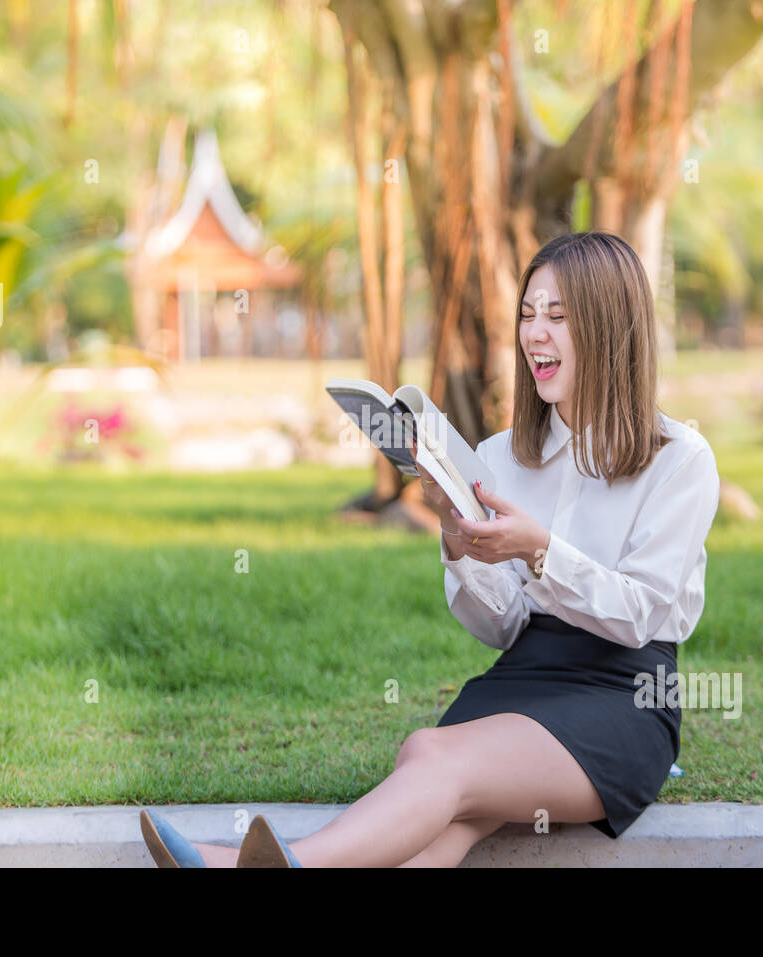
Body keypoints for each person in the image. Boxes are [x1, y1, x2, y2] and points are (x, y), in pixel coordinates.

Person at [140, 230, 721, 867]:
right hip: (525, 674)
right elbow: (500, 627)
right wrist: (457, 535)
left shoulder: (679, 459)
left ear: (610, 328)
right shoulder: (502, 455)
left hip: (626, 693)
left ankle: (277, 864)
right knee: (441, 788)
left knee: (436, 757)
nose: (535, 335)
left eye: (558, 317)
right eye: (528, 315)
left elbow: (639, 614)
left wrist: (539, 552)